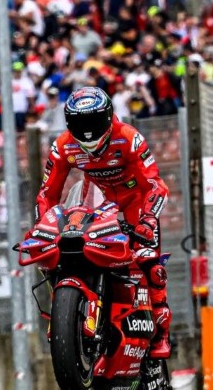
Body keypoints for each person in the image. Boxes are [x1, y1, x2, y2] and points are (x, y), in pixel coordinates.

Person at [34, 86, 172, 359]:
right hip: (100, 202)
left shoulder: (129, 138)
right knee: (58, 251)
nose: (88, 131)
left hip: (137, 202)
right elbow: (47, 193)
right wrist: (43, 227)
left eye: (94, 122)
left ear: (109, 117)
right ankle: (69, 314)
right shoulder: (63, 145)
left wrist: (146, 221)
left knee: (149, 262)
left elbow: (157, 186)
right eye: (80, 123)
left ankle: (161, 333)